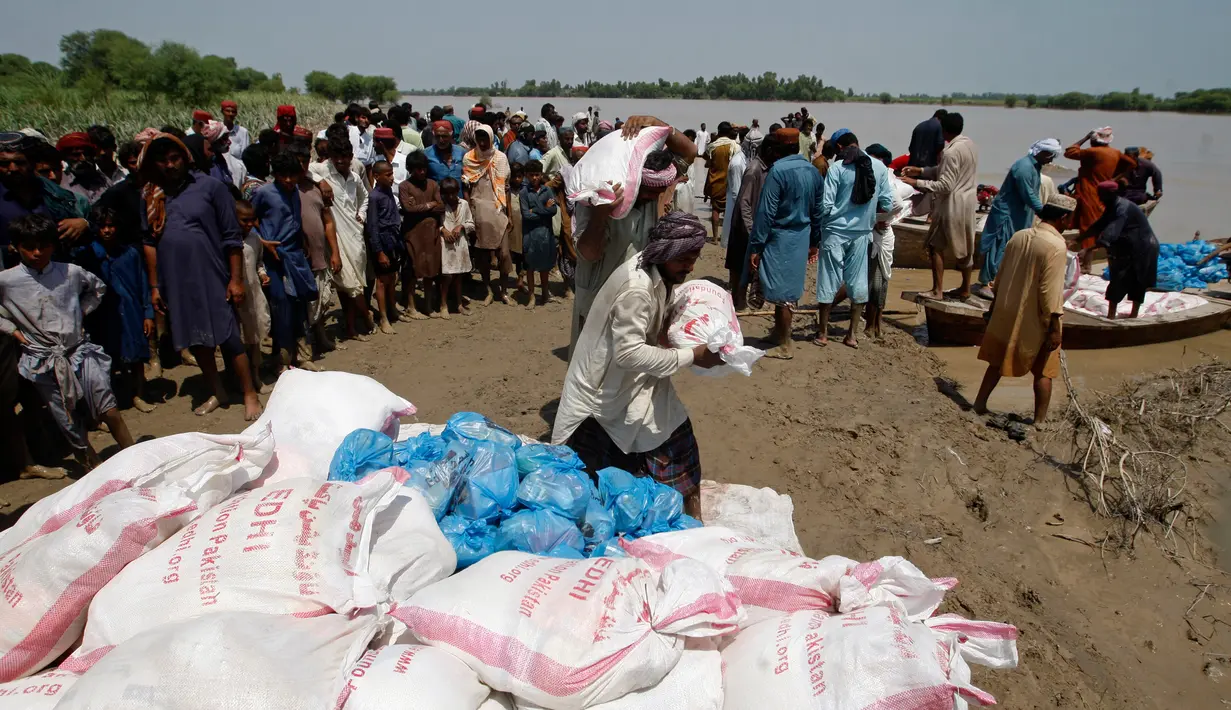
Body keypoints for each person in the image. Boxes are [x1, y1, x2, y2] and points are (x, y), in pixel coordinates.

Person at [552, 211, 720, 515]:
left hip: (634, 382)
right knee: (589, 483)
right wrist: (691, 355)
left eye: (695, 258)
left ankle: (688, 512)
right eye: (684, 259)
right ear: (666, 252)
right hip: (603, 393)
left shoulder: (658, 272)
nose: (690, 266)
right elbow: (629, 354)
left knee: (674, 437)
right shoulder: (636, 288)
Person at [0, 213, 136, 468]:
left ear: (53, 244)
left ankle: (136, 456)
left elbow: (98, 289)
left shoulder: (70, 272)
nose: (37, 253)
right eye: (29, 247)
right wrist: (11, 329)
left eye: (44, 245)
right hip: (42, 359)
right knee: (67, 420)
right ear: (16, 247)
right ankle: (92, 469)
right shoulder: (7, 280)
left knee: (108, 408)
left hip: (78, 351)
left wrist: (81, 312)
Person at [572, 116, 698, 351]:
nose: (655, 197)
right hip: (599, 296)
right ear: (635, 180)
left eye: (660, 191)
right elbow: (587, 254)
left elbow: (690, 151)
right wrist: (601, 215)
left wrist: (657, 123)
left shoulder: (657, 183)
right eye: (649, 191)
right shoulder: (597, 198)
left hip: (639, 296)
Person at [973, 194, 1077, 424]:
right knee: (1044, 371)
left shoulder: (1019, 236)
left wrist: (992, 309)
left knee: (996, 361)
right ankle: (1039, 423)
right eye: (1070, 219)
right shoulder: (1057, 246)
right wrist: (1054, 327)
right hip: (1034, 317)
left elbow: (998, 280)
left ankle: (979, 404)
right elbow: (1050, 292)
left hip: (1006, 310)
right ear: (1064, 217)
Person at [744, 128, 823, 360]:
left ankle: (786, 343)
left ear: (777, 148)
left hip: (780, 236)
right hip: (802, 235)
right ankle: (778, 334)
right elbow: (819, 211)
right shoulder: (812, 171)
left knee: (784, 292)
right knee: (784, 289)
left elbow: (765, 212)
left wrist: (757, 245)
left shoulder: (777, 171)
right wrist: (814, 241)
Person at [74, 205, 156, 414]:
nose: (107, 231)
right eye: (102, 226)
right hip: (102, 316)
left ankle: (139, 393)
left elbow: (143, 284)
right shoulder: (87, 256)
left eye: (111, 226)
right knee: (106, 358)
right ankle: (111, 400)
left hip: (131, 312)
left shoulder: (130, 254)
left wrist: (148, 313)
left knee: (136, 356)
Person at [814, 131, 894, 349]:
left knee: (828, 279)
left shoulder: (838, 169)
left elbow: (827, 205)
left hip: (835, 232)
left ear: (840, 148)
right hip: (862, 233)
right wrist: (871, 216)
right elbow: (888, 202)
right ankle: (851, 335)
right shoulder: (879, 168)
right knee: (858, 281)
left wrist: (817, 228)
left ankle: (822, 333)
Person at [251, 152, 319, 371]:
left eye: (292, 176)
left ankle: (302, 356)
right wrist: (263, 241)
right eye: (284, 176)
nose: (288, 180)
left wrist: (304, 243)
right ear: (276, 175)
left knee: (300, 303)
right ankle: (281, 359)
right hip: (275, 258)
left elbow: (295, 221)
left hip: (296, 255)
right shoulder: (264, 193)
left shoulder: (296, 192)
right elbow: (248, 220)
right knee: (281, 304)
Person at [900, 112, 979, 301]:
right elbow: (945, 170)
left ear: (943, 131)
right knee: (966, 248)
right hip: (969, 204)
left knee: (935, 246)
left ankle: (937, 290)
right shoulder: (969, 145)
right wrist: (921, 171)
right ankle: (965, 288)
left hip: (952, 206)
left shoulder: (950, 152)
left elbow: (945, 185)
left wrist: (916, 183)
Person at [975, 138, 1062, 297]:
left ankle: (1000, 281)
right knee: (998, 247)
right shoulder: (1023, 167)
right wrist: (1042, 212)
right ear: (1043, 152)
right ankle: (987, 283)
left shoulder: (1034, 167)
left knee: (1013, 248)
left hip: (1019, 214)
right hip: (1007, 214)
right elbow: (1028, 193)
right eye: (1050, 156)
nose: (1051, 160)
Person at [288, 147, 340, 357]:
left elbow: (328, 222)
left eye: (304, 161)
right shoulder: (286, 189)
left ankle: (321, 338)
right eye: (297, 161)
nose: (301, 166)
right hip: (297, 258)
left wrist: (335, 252)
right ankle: (303, 349)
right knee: (301, 305)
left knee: (320, 299)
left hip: (319, 255)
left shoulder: (316, 188)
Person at [1083, 181, 1159, 319]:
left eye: (1102, 196)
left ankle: (1129, 315)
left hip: (1144, 246)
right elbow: (1099, 225)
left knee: (1131, 280)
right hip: (1129, 244)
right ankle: (1112, 315)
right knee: (1117, 278)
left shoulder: (1121, 208)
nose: (1100, 199)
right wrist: (1077, 239)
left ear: (1111, 195)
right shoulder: (1112, 206)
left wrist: (1089, 248)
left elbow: (1111, 233)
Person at [1065, 127, 1134, 273]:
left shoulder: (1093, 152)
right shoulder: (1115, 153)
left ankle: (1085, 265)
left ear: (1093, 140)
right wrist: (1114, 179)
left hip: (1089, 193)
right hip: (1103, 193)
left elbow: (1069, 152)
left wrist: (1084, 137)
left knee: (1088, 227)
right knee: (1100, 226)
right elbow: (1132, 164)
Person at [862, 144, 912, 339]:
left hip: (880, 235)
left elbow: (898, 204)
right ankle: (875, 324)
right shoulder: (881, 176)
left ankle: (872, 325)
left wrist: (876, 221)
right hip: (883, 233)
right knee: (880, 280)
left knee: (876, 281)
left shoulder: (884, 178)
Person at [461, 124, 512, 306]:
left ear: (491, 138)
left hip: (499, 209)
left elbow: (506, 188)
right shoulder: (469, 158)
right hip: (479, 211)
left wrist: (510, 214)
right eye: (479, 138)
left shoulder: (500, 158)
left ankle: (504, 291)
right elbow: (467, 188)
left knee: (504, 254)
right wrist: (469, 210)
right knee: (482, 255)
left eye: (485, 138)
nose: (482, 143)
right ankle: (488, 290)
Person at [727, 137, 771, 312]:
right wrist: (751, 229)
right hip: (745, 225)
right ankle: (739, 301)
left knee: (748, 265)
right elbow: (744, 202)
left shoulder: (765, 169)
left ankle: (744, 299)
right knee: (739, 265)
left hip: (753, 224)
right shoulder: (753, 170)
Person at [399, 150, 444, 318]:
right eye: (418, 169)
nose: (421, 172)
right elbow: (408, 209)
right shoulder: (405, 186)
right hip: (413, 234)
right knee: (412, 270)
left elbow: (441, 206)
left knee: (430, 270)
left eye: (423, 168)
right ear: (411, 169)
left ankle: (428, 306)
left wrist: (422, 207)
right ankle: (411, 306)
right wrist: (429, 205)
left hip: (431, 233)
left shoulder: (432, 184)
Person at [233, 200, 271, 392]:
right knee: (238, 339)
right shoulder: (228, 242)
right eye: (244, 220)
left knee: (254, 338)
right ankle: (240, 379)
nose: (248, 224)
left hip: (254, 294)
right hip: (236, 299)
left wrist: (263, 274)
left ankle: (256, 377)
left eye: (251, 220)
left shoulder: (255, 240)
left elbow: (259, 262)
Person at [365, 161, 403, 334]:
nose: (391, 177)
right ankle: (383, 318)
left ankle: (392, 309)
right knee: (381, 281)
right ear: (376, 176)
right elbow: (372, 226)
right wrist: (379, 252)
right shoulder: (374, 197)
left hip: (393, 239)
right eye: (387, 175)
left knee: (392, 277)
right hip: (382, 241)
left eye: (391, 173)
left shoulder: (388, 191)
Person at [519, 159, 558, 309]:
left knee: (545, 266)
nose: (534, 178)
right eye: (531, 175)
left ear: (541, 175)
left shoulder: (547, 190)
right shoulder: (524, 193)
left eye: (537, 175)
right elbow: (526, 215)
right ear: (526, 176)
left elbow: (553, 211)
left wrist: (534, 210)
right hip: (530, 234)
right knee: (530, 267)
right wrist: (544, 209)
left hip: (546, 233)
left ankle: (545, 295)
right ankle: (531, 297)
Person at [438, 177, 474, 317]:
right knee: (446, 276)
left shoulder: (464, 204)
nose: (451, 197)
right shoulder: (440, 206)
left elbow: (471, 223)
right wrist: (443, 230)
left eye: (453, 193)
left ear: (458, 191)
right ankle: (443, 305)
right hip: (445, 246)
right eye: (447, 194)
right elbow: (434, 224)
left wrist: (461, 226)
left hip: (460, 244)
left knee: (458, 276)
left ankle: (459, 304)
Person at [703, 122, 741, 241]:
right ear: (729, 132)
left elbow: (705, 157)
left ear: (719, 131)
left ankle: (714, 238)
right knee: (729, 210)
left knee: (715, 209)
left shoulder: (713, 146)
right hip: (730, 182)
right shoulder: (734, 145)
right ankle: (727, 236)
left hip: (715, 181)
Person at [55, 132, 111, 206]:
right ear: (65, 158)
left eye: (86, 154)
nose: (83, 159)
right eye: (76, 155)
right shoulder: (61, 183)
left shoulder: (104, 180)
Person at [1121, 146, 1163, 216]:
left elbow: (1157, 173)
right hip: (1123, 194)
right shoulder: (1120, 164)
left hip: (1138, 194)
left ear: (1136, 156)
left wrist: (1158, 190)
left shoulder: (1146, 164)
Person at [506, 162, 527, 294]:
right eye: (514, 177)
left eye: (519, 177)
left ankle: (520, 279)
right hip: (511, 226)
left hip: (523, 226)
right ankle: (505, 282)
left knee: (523, 255)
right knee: (509, 253)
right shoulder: (506, 190)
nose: (517, 180)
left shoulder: (525, 190)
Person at [426, 120, 465, 190]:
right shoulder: (426, 154)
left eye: (444, 136)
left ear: (451, 135)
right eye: (438, 136)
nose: (441, 140)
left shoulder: (461, 152)